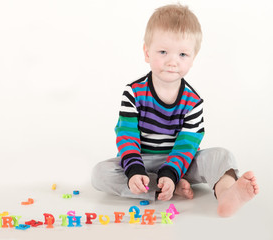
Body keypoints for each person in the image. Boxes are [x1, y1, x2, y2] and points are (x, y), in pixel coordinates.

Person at [91, 4, 259, 217]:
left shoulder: (193, 101)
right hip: (142, 160)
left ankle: (225, 193)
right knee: (100, 173)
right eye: (163, 52)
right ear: (147, 52)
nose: (172, 62)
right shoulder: (133, 92)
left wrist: (171, 172)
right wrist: (134, 171)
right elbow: (127, 136)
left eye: (182, 54)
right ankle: (163, 186)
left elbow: (187, 144)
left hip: (182, 162)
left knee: (223, 157)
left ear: (193, 58)